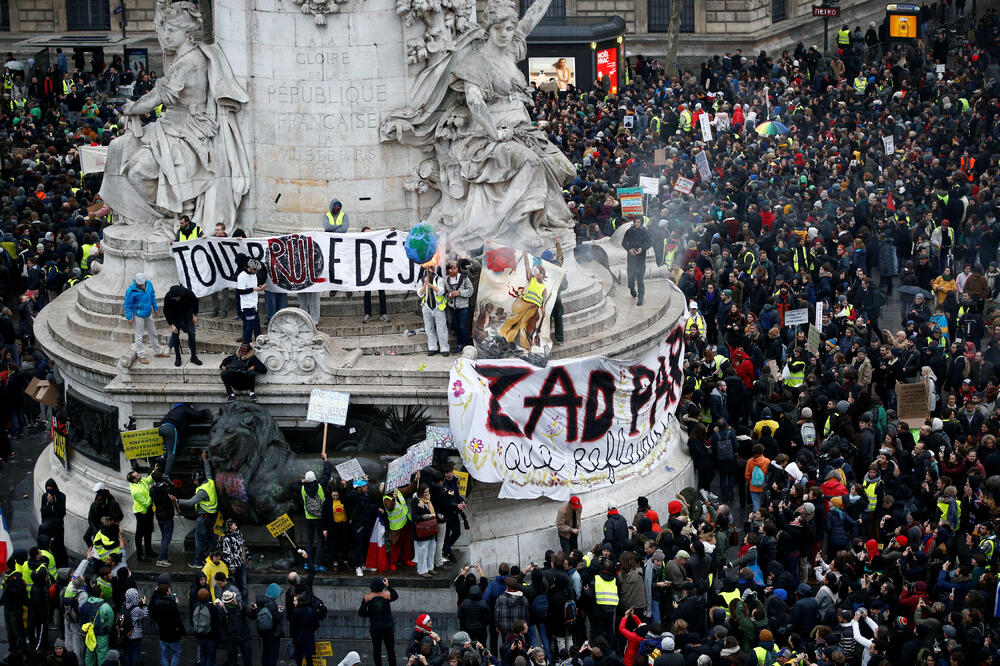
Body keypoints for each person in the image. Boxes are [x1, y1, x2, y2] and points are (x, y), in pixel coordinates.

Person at [179, 451, 217, 567]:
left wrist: (177, 501)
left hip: (203, 518)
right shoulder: (210, 483)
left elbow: (191, 502)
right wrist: (204, 459)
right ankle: (213, 558)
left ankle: (198, 562)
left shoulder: (202, 491)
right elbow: (208, 471)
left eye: (194, 480)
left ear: (198, 480)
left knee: (199, 540)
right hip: (211, 517)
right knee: (211, 539)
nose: (194, 482)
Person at [157, 401, 211, 479]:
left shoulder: (174, 411)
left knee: (173, 446)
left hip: (162, 428)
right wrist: (204, 412)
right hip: (171, 428)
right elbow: (196, 414)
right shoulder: (184, 408)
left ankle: (162, 457)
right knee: (172, 453)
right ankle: (166, 474)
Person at [123, 272, 167, 364]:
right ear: (136, 282)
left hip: (148, 313)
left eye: (142, 283)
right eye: (140, 284)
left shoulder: (149, 284)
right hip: (138, 315)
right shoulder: (131, 290)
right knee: (139, 336)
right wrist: (129, 317)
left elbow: (152, 296)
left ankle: (158, 351)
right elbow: (127, 305)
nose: (141, 285)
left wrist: (155, 307)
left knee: (153, 332)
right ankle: (141, 355)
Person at [301, 453, 332, 571]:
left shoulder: (302, 488)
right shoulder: (320, 485)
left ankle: (307, 563)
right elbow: (327, 474)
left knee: (309, 541)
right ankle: (317, 564)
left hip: (308, 518)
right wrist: (326, 460)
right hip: (319, 518)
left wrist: (301, 482)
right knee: (319, 541)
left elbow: (292, 486)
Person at [360, 576, 399, 666]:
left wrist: (370, 613)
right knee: (390, 650)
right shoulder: (387, 595)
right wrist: (388, 586)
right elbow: (395, 595)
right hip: (388, 627)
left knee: (377, 650)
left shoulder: (367, 597)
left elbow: (361, 612)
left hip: (375, 628)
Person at [149, 573, 187, 666]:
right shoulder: (171, 606)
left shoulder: (157, 604)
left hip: (163, 633)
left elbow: (153, 614)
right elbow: (177, 620)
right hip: (173, 635)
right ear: (167, 591)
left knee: (164, 655)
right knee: (177, 652)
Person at [163, 283, 201, 367]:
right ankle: (178, 357)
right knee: (175, 335)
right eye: (174, 298)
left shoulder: (188, 292)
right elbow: (166, 311)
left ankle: (194, 356)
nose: (176, 299)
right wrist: (171, 324)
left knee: (191, 333)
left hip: (187, 313)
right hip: (175, 316)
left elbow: (195, 301)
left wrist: (195, 314)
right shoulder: (168, 296)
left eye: (177, 298)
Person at [126, 465, 156, 562]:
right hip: (141, 513)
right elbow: (146, 503)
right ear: (134, 480)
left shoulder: (141, 481)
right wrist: (152, 493)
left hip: (148, 511)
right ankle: (140, 554)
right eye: (137, 475)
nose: (140, 475)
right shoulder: (135, 491)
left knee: (149, 531)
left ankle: (149, 550)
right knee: (140, 534)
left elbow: (148, 480)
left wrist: (154, 471)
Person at [411, 484, 442, 577]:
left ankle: (430, 568)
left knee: (432, 549)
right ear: (421, 492)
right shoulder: (415, 501)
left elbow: (431, 512)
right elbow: (415, 517)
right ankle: (422, 570)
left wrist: (437, 514)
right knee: (422, 550)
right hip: (422, 529)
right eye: (425, 492)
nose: (427, 494)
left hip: (431, 528)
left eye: (428, 491)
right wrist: (427, 516)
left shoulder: (428, 501)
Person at [418, 266, 450, 357]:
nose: (429, 274)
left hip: (438, 307)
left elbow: (441, 292)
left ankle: (444, 348)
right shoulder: (421, 280)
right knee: (429, 328)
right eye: (427, 271)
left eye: (431, 271)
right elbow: (420, 294)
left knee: (441, 329)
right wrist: (425, 285)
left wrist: (432, 286)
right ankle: (432, 347)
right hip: (427, 307)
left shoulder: (439, 279)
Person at [149, 468, 177, 567]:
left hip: (159, 514)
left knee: (164, 537)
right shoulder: (166, 489)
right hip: (167, 515)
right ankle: (161, 559)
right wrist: (168, 481)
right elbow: (173, 491)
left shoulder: (152, 489)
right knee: (167, 538)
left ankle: (164, 556)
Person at [218, 589, 254, 666]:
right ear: (227, 602)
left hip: (244, 636)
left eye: (233, 598)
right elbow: (221, 625)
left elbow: (251, 616)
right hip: (231, 638)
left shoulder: (241, 604)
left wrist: (253, 610)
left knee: (248, 659)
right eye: (231, 600)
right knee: (232, 661)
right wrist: (225, 639)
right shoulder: (223, 610)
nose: (234, 600)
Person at [444, 260, 474, 350]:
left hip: (463, 306)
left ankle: (468, 346)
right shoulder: (446, 280)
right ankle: (459, 345)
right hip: (453, 306)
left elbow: (471, 290)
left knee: (463, 326)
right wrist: (448, 296)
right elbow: (445, 294)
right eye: (453, 268)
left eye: (456, 268)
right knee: (456, 326)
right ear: (448, 270)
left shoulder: (464, 277)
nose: (455, 270)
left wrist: (459, 292)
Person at [236, 258, 266, 343]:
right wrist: (253, 289)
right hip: (247, 306)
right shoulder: (242, 276)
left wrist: (260, 288)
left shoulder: (253, 275)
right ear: (249, 267)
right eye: (255, 269)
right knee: (249, 326)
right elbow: (240, 291)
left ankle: (259, 341)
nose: (256, 271)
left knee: (256, 325)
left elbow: (254, 287)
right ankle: (246, 344)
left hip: (254, 304)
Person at [623, 217, 651, 306]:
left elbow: (649, 243)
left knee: (640, 280)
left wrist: (642, 249)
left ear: (641, 223)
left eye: (639, 222)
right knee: (631, 278)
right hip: (631, 258)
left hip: (641, 259)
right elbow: (623, 243)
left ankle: (641, 298)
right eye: (636, 222)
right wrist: (629, 249)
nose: (637, 223)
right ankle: (632, 289)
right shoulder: (629, 231)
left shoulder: (645, 232)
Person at [191, 586, 222, 666]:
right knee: (210, 657)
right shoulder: (212, 608)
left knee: (202, 655)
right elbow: (216, 623)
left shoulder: (196, 607)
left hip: (199, 635)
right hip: (210, 637)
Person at [220, 519, 248, 599]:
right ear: (229, 527)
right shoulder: (226, 539)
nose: (235, 524)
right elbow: (226, 555)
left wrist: (248, 557)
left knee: (244, 586)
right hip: (233, 567)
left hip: (241, 564)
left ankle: (245, 603)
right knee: (233, 585)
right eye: (233, 523)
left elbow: (244, 547)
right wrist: (231, 567)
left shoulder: (239, 534)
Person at [258, 583, 284, 666]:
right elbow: (276, 619)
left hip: (264, 632)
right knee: (273, 654)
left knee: (266, 652)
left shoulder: (261, 601)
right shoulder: (271, 604)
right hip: (273, 633)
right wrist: (280, 612)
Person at [290, 591, 319, 666]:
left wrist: (294, 640)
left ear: (300, 602)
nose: (293, 602)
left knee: (299, 660)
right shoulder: (311, 611)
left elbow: (293, 629)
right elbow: (316, 624)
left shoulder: (295, 612)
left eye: (295, 600)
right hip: (309, 638)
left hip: (299, 639)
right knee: (309, 659)